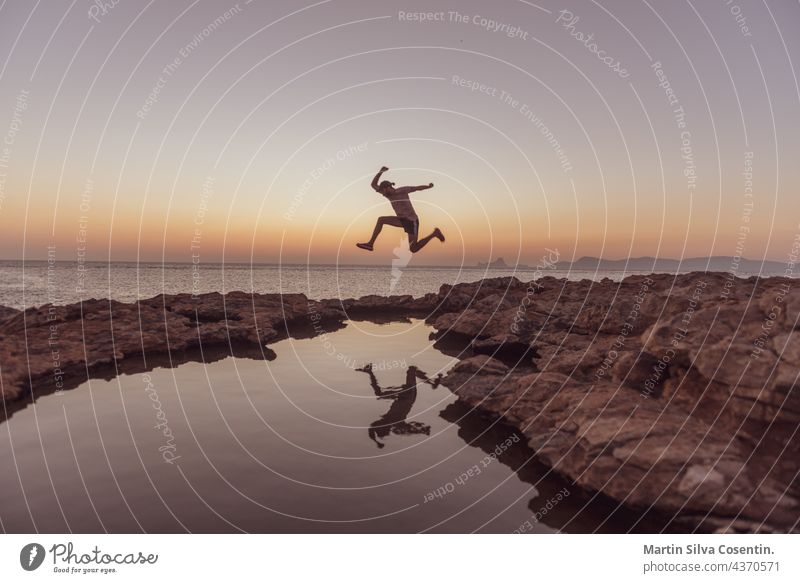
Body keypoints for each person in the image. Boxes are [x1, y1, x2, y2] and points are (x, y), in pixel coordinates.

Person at [356, 166, 445, 253]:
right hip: (401, 220)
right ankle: (370, 244)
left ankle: (434, 234)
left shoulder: (402, 190)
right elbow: (373, 185)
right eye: (382, 192)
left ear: (388, 187)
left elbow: (417, 188)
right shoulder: (387, 194)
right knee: (381, 220)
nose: (383, 194)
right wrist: (381, 171)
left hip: (411, 221)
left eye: (384, 191)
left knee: (413, 249)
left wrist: (428, 186)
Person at [356, 363, 442, 448]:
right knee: (411, 370)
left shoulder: (389, 422)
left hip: (404, 397)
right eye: (381, 426)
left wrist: (376, 441)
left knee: (411, 370)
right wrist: (422, 431)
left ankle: (370, 372)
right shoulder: (396, 424)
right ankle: (432, 382)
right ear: (384, 428)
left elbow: (372, 428)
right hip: (407, 396)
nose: (379, 422)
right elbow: (409, 430)